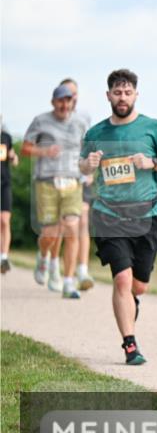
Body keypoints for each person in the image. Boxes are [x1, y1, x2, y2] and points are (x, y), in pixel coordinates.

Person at [79, 69, 157, 365]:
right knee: (122, 280)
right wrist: (89, 162)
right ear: (108, 95)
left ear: (135, 95)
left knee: (138, 286)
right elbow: (83, 169)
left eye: (127, 92)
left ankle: (130, 302)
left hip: (147, 215)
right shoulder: (96, 133)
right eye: (117, 92)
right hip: (108, 215)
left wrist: (152, 162)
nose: (122, 98)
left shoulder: (152, 127)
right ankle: (130, 345)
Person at [21, 84, 90, 298]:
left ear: (72, 102)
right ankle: (43, 257)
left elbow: (86, 148)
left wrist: (88, 169)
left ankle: (68, 282)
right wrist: (44, 151)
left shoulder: (80, 123)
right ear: (53, 102)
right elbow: (25, 148)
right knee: (50, 234)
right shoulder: (41, 121)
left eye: (68, 100)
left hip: (72, 182)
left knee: (71, 227)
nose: (64, 104)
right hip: (47, 182)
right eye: (60, 100)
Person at [60, 78, 96, 290]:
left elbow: (89, 144)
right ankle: (53, 261)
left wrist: (89, 171)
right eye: (67, 93)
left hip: (81, 178)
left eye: (74, 93)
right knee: (62, 228)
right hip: (59, 180)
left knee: (82, 222)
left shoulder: (84, 118)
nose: (71, 97)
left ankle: (82, 271)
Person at [0, 120, 19, 274]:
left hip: (4, 183)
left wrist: (13, 158)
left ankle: (4, 258)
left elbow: (13, 156)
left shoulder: (6, 137)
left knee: (5, 221)